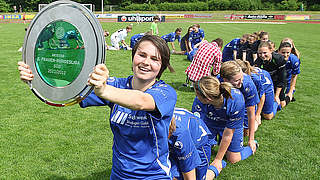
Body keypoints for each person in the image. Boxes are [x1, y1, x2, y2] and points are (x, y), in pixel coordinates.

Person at [18, 35, 177, 179]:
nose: (146, 62)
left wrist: (104, 90)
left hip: (153, 175)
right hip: (119, 174)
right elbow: (71, 90)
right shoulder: (118, 85)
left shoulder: (166, 93)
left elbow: (141, 101)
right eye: (141, 55)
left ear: (161, 66)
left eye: (155, 59)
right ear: (133, 56)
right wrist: (35, 77)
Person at [192, 76, 258, 179]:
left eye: (197, 94)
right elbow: (197, 126)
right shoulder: (199, 101)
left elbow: (228, 134)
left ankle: (252, 146)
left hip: (230, 126)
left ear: (208, 99)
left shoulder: (236, 99)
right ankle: (216, 149)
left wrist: (218, 159)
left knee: (233, 158)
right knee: (201, 150)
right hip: (211, 122)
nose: (196, 96)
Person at [169, 107, 217, 180]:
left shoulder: (180, 135)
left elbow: (188, 168)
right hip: (174, 140)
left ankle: (216, 167)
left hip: (198, 144)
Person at [219, 61, 259, 147]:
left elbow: (251, 113)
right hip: (228, 109)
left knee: (246, 133)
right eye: (237, 80)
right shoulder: (218, 82)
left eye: (242, 78)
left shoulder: (247, 84)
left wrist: (251, 139)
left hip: (243, 108)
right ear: (225, 80)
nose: (241, 82)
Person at [255, 41, 287, 109]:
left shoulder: (279, 59)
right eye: (260, 53)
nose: (262, 55)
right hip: (268, 83)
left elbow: (282, 79)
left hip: (278, 82)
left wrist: (277, 95)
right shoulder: (258, 61)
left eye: (265, 53)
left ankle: (289, 96)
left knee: (281, 104)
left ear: (271, 50)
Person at [277, 41, 301, 107]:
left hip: (287, 79)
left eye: (288, 53)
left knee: (282, 104)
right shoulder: (274, 57)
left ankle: (289, 97)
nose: (285, 55)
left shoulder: (294, 60)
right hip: (276, 80)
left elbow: (294, 76)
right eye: (283, 52)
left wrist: (291, 90)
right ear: (278, 51)